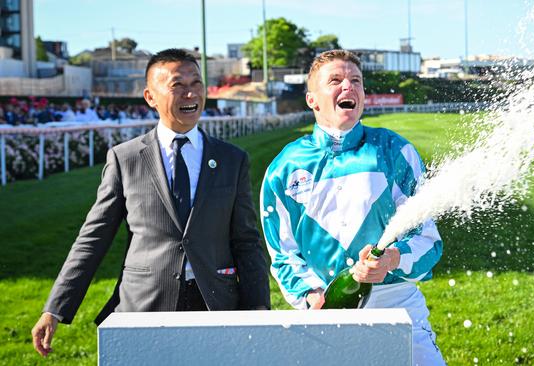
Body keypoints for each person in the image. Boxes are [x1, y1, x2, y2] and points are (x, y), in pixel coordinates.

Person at [32, 48, 270, 357]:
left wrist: (259, 305)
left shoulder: (232, 159)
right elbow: (93, 238)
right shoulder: (125, 158)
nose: (190, 92)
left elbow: (246, 240)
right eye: (177, 85)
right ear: (150, 96)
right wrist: (55, 307)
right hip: (144, 305)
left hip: (216, 303)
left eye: (196, 83)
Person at [260, 50, 445, 365]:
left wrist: (391, 258)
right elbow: (283, 254)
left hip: (397, 304)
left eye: (355, 81)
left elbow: (427, 238)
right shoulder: (283, 168)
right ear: (312, 100)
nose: (348, 86)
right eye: (335, 80)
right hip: (323, 313)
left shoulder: (395, 151)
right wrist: (313, 297)